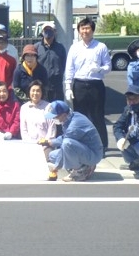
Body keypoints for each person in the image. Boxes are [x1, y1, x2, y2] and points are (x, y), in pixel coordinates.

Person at [64, 17, 112, 150]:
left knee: (97, 116)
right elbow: (69, 69)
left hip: (96, 85)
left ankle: (102, 146)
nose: (85, 31)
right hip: (79, 85)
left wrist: (100, 69)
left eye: (88, 28)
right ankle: (82, 144)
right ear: (79, 31)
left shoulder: (101, 47)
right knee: (80, 117)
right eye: (82, 28)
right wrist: (68, 87)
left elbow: (108, 66)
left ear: (93, 30)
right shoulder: (74, 48)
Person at [45, 100, 104, 182]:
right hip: (84, 149)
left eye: (55, 117)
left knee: (67, 144)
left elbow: (65, 143)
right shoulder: (69, 118)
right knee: (52, 156)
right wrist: (50, 142)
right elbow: (64, 137)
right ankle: (85, 166)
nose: (53, 119)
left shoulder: (75, 124)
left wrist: (56, 167)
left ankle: (79, 172)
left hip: (93, 154)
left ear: (64, 115)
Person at [34, 21, 67, 101]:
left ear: (55, 32)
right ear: (42, 32)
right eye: (46, 30)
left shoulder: (60, 47)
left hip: (56, 87)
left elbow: (64, 64)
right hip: (41, 86)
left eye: (50, 30)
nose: (48, 32)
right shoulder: (36, 47)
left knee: (57, 111)